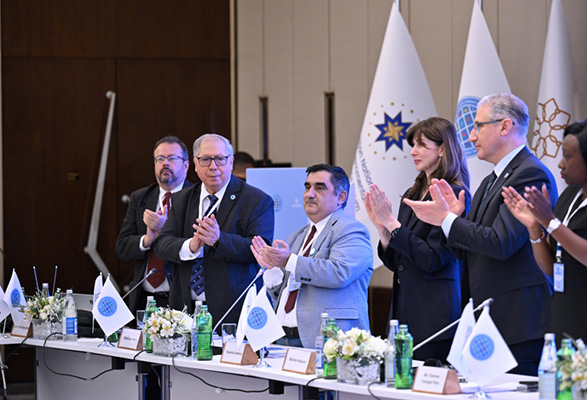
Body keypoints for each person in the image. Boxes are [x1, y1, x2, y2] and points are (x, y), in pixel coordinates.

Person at [404, 93, 557, 375]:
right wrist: (452, 220)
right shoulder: (490, 180)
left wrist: (448, 220)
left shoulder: (529, 174)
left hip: (518, 321)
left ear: (505, 126)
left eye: (478, 126)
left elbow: (501, 243)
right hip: (488, 320)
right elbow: (469, 251)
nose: (471, 136)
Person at [502, 118, 587, 348]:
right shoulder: (569, 196)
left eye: (567, 156)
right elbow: (551, 267)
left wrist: (550, 222)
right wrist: (534, 227)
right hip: (565, 319)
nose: (560, 164)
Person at [364, 117, 471, 362]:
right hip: (403, 312)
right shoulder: (412, 193)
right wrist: (383, 230)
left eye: (421, 145)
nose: (413, 151)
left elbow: (433, 259)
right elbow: (397, 262)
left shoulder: (453, 195)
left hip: (434, 317)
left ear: (442, 149)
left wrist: (393, 224)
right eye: (413, 145)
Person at [154, 133, 274, 326]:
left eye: (220, 159)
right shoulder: (182, 199)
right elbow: (162, 244)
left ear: (231, 162)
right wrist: (191, 246)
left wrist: (218, 239)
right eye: (205, 160)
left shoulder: (256, 200)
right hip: (184, 309)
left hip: (234, 308)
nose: (213, 166)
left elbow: (260, 249)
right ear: (195, 164)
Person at [250, 164, 373, 348]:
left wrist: (288, 261)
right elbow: (281, 293)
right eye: (307, 187)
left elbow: (340, 273)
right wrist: (272, 269)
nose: (310, 194)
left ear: (341, 197)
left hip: (328, 340)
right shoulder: (298, 236)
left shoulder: (351, 230)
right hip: (282, 338)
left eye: (320, 188)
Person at [116, 136, 191, 312]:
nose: (165, 163)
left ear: (186, 165)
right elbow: (122, 247)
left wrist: (165, 230)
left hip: (180, 298)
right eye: (160, 159)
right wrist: (147, 240)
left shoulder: (195, 197)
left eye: (172, 158)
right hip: (144, 298)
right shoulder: (140, 197)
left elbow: (198, 247)